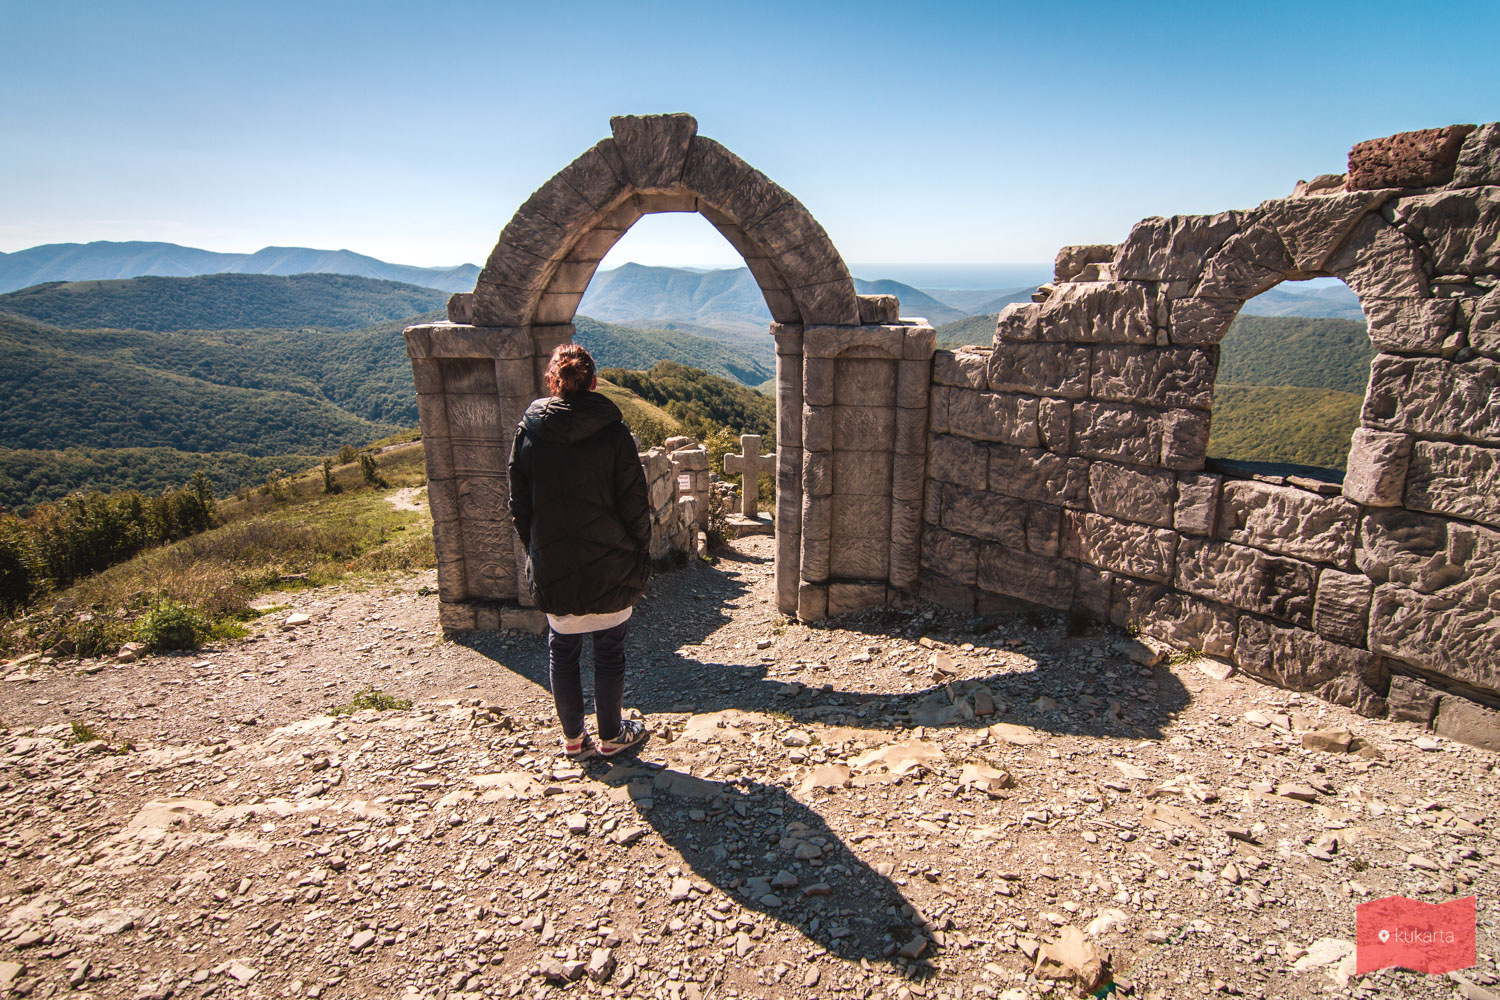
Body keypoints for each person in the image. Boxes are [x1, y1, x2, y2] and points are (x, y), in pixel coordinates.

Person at [508, 344, 652, 760]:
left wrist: (536, 551)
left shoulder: (529, 433)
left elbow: (519, 506)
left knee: (562, 649)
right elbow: (635, 504)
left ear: (553, 382)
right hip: (612, 565)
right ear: (593, 382)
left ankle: (574, 739)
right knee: (610, 651)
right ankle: (611, 736)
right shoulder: (613, 432)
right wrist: (638, 553)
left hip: (554, 565)